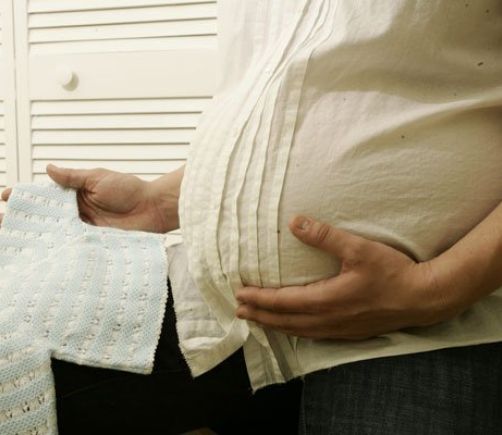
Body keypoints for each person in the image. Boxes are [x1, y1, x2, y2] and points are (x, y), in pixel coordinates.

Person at [2, 0, 502, 433]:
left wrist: (435, 288)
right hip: (230, 317)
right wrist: (160, 201)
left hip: (427, 329)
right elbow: (280, 110)